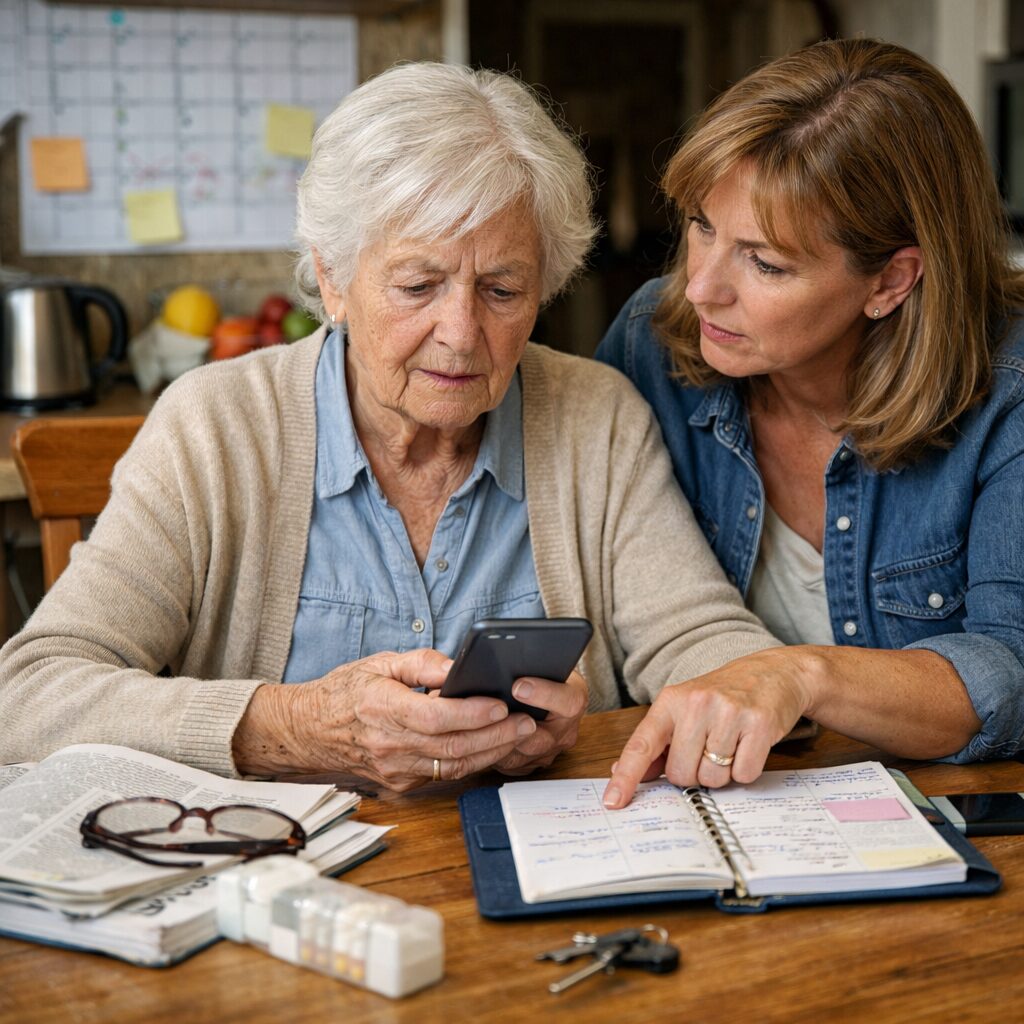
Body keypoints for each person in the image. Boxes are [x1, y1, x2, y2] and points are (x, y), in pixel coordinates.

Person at [0, 62, 777, 791]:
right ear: (332, 279)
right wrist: (296, 726)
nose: (461, 331)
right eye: (418, 284)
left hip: (539, 873)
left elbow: (710, 651)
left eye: (503, 289)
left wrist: (623, 717)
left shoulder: (595, 419)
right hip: (281, 893)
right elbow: (29, 695)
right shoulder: (216, 426)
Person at [597, 37, 1024, 809]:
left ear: (892, 281)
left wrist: (798, 673)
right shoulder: (648, 344)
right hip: (719, 810)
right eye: (701, 226)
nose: (700, 289)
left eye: (765, 264)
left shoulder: (1010, 395)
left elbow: (1013, 668)